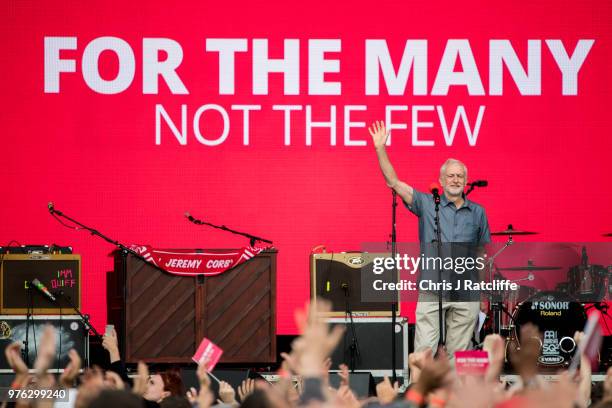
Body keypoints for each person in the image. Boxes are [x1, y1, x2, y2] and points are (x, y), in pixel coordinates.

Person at [368, 120, 491, 358]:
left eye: (460, 176)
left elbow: (482, 257)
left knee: (460, 355)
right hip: (432, 289)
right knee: (424, 352)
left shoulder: (478, 212)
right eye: (450, 176)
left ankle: (456, 396)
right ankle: (417, 396)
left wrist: (483, 293)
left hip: (466, 291)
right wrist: (380, 148)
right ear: (442, 180)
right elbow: (394, 183)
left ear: (466, 182)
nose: (455, 180)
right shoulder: (427, 203)